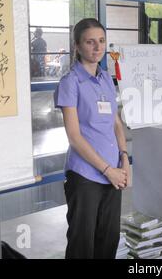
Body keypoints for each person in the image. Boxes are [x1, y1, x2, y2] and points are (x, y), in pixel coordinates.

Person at [54, 18, 130, 259]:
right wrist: (108, 169)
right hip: (86, 176)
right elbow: (74, 137)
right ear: (77, 46)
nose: (98, 48)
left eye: (101, 41)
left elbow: (116, 122)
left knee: (108, 239)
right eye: (90, 42)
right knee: (82, 244)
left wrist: (124, 158)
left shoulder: (106, 78)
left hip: (114, 172)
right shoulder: (70, 83)